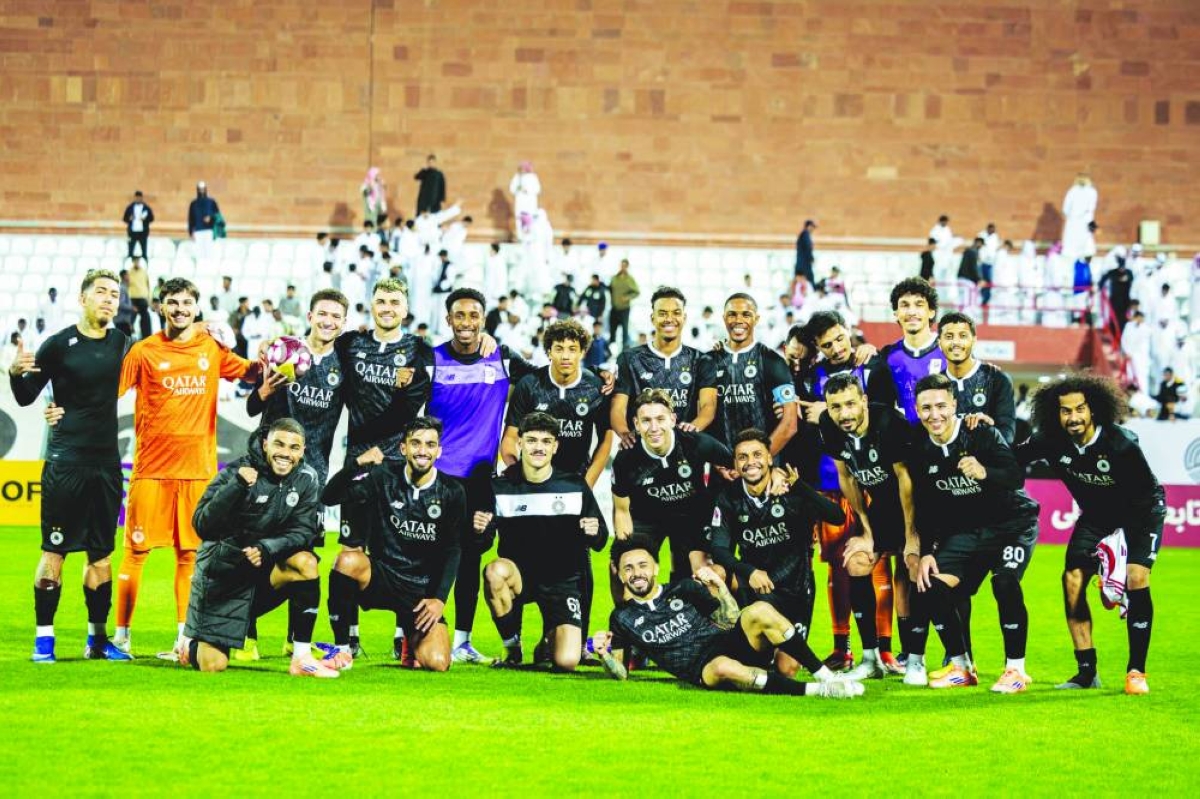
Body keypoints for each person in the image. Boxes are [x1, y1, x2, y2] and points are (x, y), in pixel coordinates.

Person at [113, 278, 258, 655]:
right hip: (151, 470)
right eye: (173, 303)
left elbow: (250, 373)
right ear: (160, 307)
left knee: (190, 554)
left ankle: (183, 638)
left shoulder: (211, 347)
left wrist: (277, 359)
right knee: (136, 552)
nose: (180, 309)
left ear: (196, 307)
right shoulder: (143, 351)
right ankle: (120, 637)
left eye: (187, 303)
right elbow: (107, 391)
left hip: (197, 473)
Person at [11, 270, 133, 663]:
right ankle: (43, 640)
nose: (110, 299)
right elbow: (26, 396)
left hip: (107, 465)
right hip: (66, 463)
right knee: (54, 552)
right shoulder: (58, 345)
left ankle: (97, 641)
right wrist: (15, 374)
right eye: (102, 292)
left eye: (115, 293)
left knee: (101, 556)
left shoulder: (123, 344)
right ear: (83, 299)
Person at [1017, 375, 1164, 694]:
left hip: (1142, 511)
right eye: (1065, 411)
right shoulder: (1049, 440)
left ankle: (1136, 672)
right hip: (1097, 515)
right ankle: (1086, 672)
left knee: (1137, 576)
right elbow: (1011, 459)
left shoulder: (1121, 445)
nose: (1073, 417)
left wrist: (1116, 556)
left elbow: (1141, 498)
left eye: (1079, 409)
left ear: (1093, 410)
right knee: (1071, 580)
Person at [590, 536, 863, 697]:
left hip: (728, 642)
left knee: (759, 610)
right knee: (723, 667)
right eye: (628, 568)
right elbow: (621, 673)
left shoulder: (683, 588)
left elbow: (730, 619)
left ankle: (826, 677)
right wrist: (604, 655)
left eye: (642, 565)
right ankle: (817, 691)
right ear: (620, 574)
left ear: (655, 567)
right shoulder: (622, 618)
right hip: (703, 668)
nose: (636, 573)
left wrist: (720, 588)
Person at [425, 287, 539, 665]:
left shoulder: (501, 357)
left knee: (471, 557)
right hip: (438, 478)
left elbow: (543, 378)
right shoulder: (432, 359)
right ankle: (411, 634)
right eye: (459, 315)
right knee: (429, 556)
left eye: (474, 315)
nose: (466, 323)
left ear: (484, 320)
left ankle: (462, 641)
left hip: (478, 480)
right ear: (448, 320)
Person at [909, 374, 1039, 693]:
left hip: (1012, 524)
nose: (934, 414)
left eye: (941, 406)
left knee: (1004, 582)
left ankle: (1016, 670)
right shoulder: (919, 446)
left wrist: (984, 472)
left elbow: (1015, 476)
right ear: (916, 409)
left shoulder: (980, 433)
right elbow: (925, 505)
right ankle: (962, 667)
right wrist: (926, 552)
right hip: (968, 529)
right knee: (931, 586)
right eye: (926, 408)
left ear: (954, 404)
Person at [176, 418, 331, 676]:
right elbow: (202, 525)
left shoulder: (307, 478)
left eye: (294, 447)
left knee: (306, 562)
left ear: (302, 451)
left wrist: (267, 547)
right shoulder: (237, 472)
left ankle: (301, 657)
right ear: (265, 444)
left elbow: (304, 530)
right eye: (279, 444)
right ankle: (190, 643)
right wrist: (236, 486)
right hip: (225, 577)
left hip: (263, 573)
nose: (286, 453)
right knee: (213, 665)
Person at [241, 289, 349, 657]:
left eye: (335, 316)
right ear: (309, 316)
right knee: (253, 549)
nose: (328, 321)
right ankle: (246, 638)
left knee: (303, 554)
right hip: (267, 469)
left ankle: (294, 640)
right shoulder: (282, 351)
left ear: (343, 323)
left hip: (311, 477)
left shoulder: (345, 364)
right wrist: (263, 390)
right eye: (323, 314)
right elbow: (252, 407)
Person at [794, 311, 896, 673]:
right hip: (829, 483)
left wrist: (826, 409)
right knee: (839, 567)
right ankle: (842, 647)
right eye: (827, 344)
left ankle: (885, 649)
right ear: (817, 347)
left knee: (878, 563)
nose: (837, 348)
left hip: (871, 480)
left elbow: (884, 410)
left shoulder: (873, 364)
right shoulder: (810, 376)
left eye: (840, 338)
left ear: (848, 332)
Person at [321, 418, 464, 672]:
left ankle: (411, 635)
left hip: (419, 592)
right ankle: (342, 649)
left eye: (430, 445)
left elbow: (453, 550)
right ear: (403, 448)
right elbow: (329, 497)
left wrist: (438, 599)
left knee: (438, 663)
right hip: (381, 577)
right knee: (347, 561)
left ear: (439, 451)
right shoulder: (382, 477)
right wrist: (356, 464)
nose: (423, 451)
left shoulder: (452, 491)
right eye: (416, 443)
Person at [475, 412, 609, 670]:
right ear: (520, 443)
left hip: (562, 581)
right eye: (532, 440)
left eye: (546, 442)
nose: (539, 447)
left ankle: (549, 639)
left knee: (566, 661)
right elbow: (482, 544)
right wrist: (480, 530)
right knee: (494, 572)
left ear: (555, 447)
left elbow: (601, 541)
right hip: (520, 578)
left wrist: (594, 531)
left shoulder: (574, 485)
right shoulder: (500, 487)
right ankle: (511, 646)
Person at [817, 373, 920, 682]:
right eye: (836, 407)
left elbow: (905, 480)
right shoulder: (829, 426)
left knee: (912, 569)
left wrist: (911, 535)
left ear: (863, 400)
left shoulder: (888, 423)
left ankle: (915, 659)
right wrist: (866, 530)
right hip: (882, 507)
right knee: (857, 563)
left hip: (918, 505)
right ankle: (871, 658)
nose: (844, 414)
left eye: (850, 404)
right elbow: (846, 477)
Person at [709, 429, 846, 660]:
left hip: (796, 589)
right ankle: (719, 643)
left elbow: (837, 517)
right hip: (756, 587)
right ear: (736, 464)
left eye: (757, 455)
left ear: (770, 459)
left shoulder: (791, 492)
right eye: (742, 457)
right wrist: (749, 571)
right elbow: (718, 549)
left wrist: (800, 486)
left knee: (787, 667)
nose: (750, 462)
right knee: (712, 574)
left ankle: (763, 652)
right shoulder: (728, 497)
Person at [611, 388, 732, 598]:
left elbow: (738, 465)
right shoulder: (625, 459)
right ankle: (626, 614)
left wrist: (774, 473)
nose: (654, 427)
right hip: (646, 518)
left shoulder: (697, 443)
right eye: (646, 421)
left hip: (691, 516)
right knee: (619, 565)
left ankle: (702, 616)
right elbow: (621, 510)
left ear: (673, 420)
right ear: (636, 424)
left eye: (660, 419)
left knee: (704, 573)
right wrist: (624, 551)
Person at [502, 319, 613, 487]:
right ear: (549, 352)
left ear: (582, 352)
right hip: (533, 480)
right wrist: (517, 471)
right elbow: (510, 437)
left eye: (572, 349)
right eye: (559, 349)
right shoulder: (529, 385)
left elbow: (606, 439)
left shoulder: (597, 387)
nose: (565, 356)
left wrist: (587, 485)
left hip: (576, 479)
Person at [610, 286, 717, 449]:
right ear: (652, 318)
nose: (669, 319)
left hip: (686, 450)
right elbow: (618, 407)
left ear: (684, 317)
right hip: (641, 450)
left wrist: (693, 427)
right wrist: (624, 433)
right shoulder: (629, 359)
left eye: (676, 313)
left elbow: (708, 406)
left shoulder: (701, 360)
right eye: (662, 313)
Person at [706, 293, 798, 456]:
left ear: (756, 319)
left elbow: (790, 423)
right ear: (724, 318)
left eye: (746, 314)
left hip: (762, 465)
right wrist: (717, 460)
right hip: (721, 466)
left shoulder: (773, 361)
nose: (738, 320)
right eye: (732, 314)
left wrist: (758, 460)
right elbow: (701, 416)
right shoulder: (708, 361)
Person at [868, 277, 944, 424]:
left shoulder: (948, 351)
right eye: (904, 305)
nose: (911, 312)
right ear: (896, 313)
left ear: (931, 312)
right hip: (901, 436)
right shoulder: (887, 356)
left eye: (919, 305)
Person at [938, 312, 1016, 442]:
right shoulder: (935, 385)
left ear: (974, 341)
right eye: (949, 336)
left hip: (987, 454)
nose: (956, 342)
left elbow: (1007, 436)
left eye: (963, 336)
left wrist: (990, 429)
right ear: (939, 342)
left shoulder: (997, 379)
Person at [1062, 173, 1098, 264]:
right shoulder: (1091, 192)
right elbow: (1091, 209)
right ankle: (1085, 266)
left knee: (1072, 249)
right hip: (1085, 222)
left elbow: (1065, 209)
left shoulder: (1072, 191)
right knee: (1087, 249)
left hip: (1073, 223)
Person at [608, 258, 640, 350]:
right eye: (621, 265)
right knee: (612, 329)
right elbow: (610, 289)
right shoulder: (614, 278)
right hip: (614, 307)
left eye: (624, 266)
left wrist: (627, 297)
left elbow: (637, 292)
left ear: (627, 267)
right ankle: (611, 350)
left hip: (624, 308)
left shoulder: (630, 279)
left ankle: (624, 349)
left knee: (624, 330)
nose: (623, 267)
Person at [187, 181, 220, 260]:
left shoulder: (211, 202)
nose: (201, 191)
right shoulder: (193, 203)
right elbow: (191, 218)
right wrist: (191, 232)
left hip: (209, 231)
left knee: (209, 253)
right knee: (199, 254)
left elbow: (217, 215)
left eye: (203, 189)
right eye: (200, 189)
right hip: (198, 231)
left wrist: (210, 217)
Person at [509, 161, 542, 241]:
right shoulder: (517, 177)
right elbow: (512, 189)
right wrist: (517, 188)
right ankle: (520, 236)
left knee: (530, 218)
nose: (522, 170)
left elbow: (537, 189)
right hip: (520, 202)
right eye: (521, 168)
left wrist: (527, 190)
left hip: (530, 202)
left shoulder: (533, 177)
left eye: (523, 168)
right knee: (520, 218)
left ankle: (530, 236)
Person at [123, 190, 154, 263]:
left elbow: (151, 218)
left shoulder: (146, 208)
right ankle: (130, 265)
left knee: (144, 251)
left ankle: (145, 264)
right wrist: (129, 219)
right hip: (132, 232)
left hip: (143, 232)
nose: (138, 199)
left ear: (141, 198)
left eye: (139, 198)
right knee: (130, 251)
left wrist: (145, 219)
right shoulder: (130, 207)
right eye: (137, 198)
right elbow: (124, 218)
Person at [128, 257, 152, 340]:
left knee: (145, 319)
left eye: (138, 260)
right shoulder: (129, 272)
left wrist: (149, 299)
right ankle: (127, 338)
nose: (137, 262)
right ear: (132, 261)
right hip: (132, 298)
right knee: (130, 319)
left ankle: (146, 338)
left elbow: (148, 286)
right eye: (135, 260)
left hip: (142, 298)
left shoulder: (144, 272)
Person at [795, 219, 817, 286]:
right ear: (809, 226)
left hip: (801, 264)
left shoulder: (803, 234)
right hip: (804, 264)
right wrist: (811, 258)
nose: (813, 229)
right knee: (809, 282)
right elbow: (807, 247)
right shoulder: (805, 234)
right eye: (812, 227)